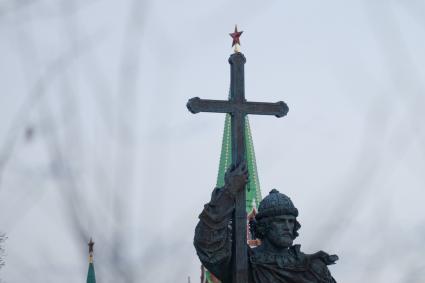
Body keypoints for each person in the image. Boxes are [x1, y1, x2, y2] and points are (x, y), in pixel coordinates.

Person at [194, 163, 338, 283]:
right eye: (280, 221)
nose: (288, 227)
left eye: (290, 221)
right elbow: (208, 244)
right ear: (263, 227)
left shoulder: (313, 268)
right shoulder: (245, 263)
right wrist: (228, 191)